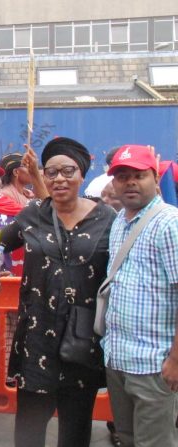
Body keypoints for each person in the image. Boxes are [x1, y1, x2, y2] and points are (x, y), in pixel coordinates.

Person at [0, 137, 117, 447]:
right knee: (28, 430)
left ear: (82, 173)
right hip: (36, 339)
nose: (59, 179)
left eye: (68, 171)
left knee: (76, 429)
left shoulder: (107, 218)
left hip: (83, 340)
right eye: (51, 172)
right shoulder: (34, 214)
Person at [102, 145, 178, 446]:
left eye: (139, 175)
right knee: (128, 438)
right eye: (122, 176)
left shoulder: (169, 223)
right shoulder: (119, 221)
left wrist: (175, 358)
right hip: (119, 359)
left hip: (154, 364)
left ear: (155, 178)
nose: (130, 182)